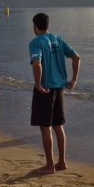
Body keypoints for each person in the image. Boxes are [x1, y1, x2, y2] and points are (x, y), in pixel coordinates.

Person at [28, 13, 80, 174]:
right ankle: (62, 162)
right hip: (59, 88)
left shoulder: (36, 42)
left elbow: (37, 64)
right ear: (47, 25)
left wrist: (37, 84)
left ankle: (50, 165)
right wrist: (73, 80)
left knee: (45, 127)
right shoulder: (58, 39)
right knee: (58, 125)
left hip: (46, 89)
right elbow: (76, 57)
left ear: (35, 27)